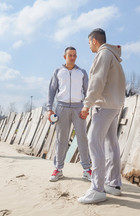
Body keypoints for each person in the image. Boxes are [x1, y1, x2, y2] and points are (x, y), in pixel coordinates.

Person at [78, 28, 126, 204]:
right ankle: (113, 183)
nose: (89, 46)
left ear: (94, 41)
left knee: (93, 141)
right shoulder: (113, 55)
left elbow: (97, 81)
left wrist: (86, 104)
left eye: (89, 43)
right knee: (110, 143)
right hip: (114, 105)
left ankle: (97, 188)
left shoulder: (103, 54)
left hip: (104, 105)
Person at [47, 46, 92, 182]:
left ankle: (86, 170)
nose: (72, 57)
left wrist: (86, 107)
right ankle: (58, 169)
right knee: (61, 139)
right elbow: (51, 90)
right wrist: (50, 108)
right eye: (70, 55)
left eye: (74, 55)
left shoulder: (82, 72)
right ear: (64, 56)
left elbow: (87, 91)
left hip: (78, 108)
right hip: (62, 107)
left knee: (82, 138)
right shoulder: (58, 71)